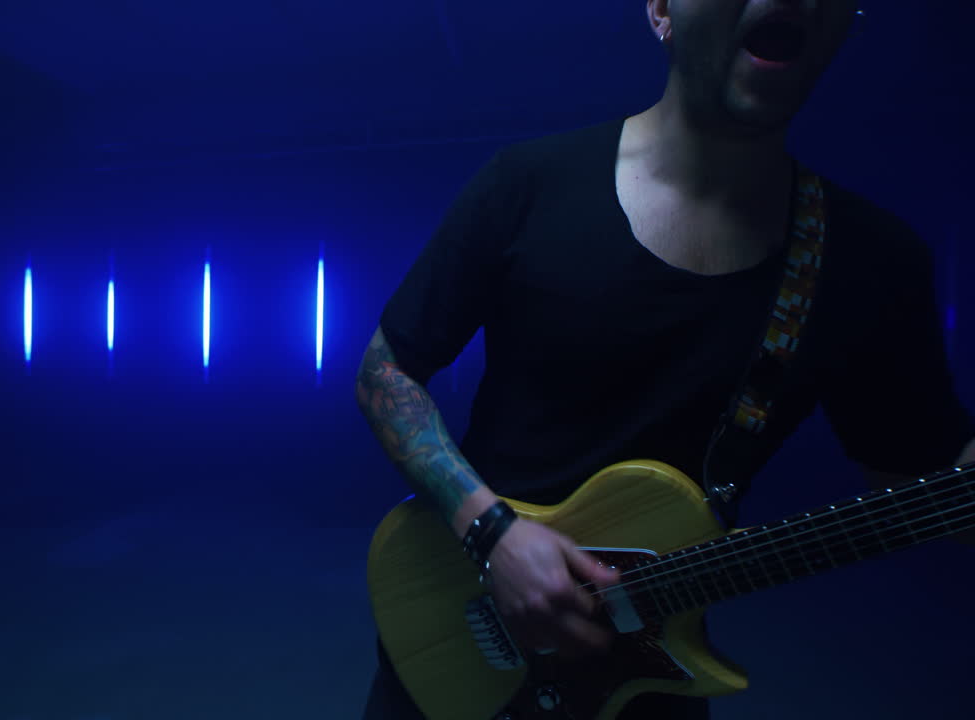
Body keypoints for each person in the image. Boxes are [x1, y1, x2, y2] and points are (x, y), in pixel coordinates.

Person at [354, 1, 975, 718]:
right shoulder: (528, 184)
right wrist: (493, 534)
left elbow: (922, 475)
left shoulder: (872, 264)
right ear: (661, 10)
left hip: (645, 681)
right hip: (463, 639)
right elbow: (385, 372)